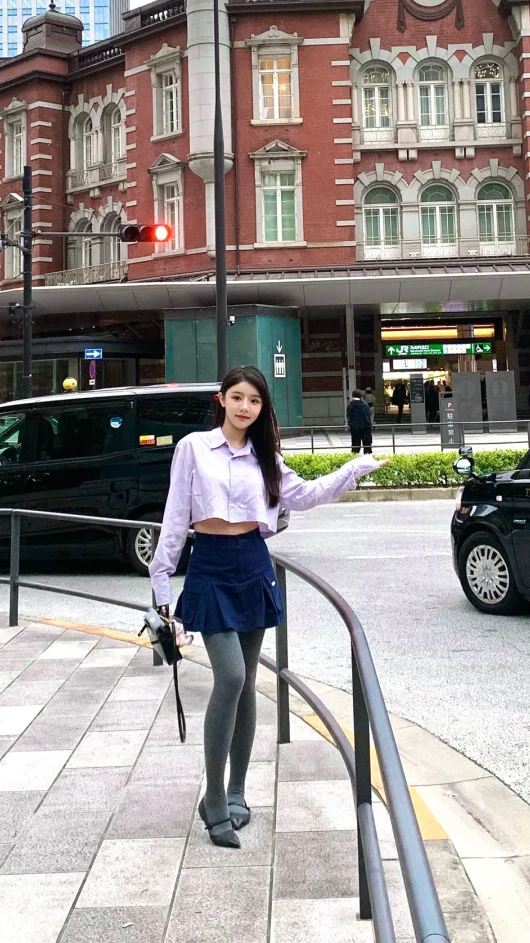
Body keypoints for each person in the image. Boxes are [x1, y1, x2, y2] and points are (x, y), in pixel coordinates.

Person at [149, 364, 383, 849]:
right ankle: (213, 797)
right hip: (211, 566)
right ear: (222, 400)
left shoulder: (265, 458)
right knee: (230, 677)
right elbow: (174, 517)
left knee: (249, 684)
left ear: (261, 409)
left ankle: (237, 792)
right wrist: (162, 590)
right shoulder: (193, 448)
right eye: (237, 397)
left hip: (253, 566)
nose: (244, 408)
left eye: (253, 401)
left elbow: (307, 495)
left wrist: (353, 469)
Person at [346, 389, 373, 455]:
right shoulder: (365, 404)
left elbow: (348, 416)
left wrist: (350, 424)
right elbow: (369, 414)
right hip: (366, 427)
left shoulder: (350, 405)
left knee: (355, 445)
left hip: (355, 428)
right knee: (367, 445)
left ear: (353, 395)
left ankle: (354, 459)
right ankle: (367, 460)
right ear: (360, 396)